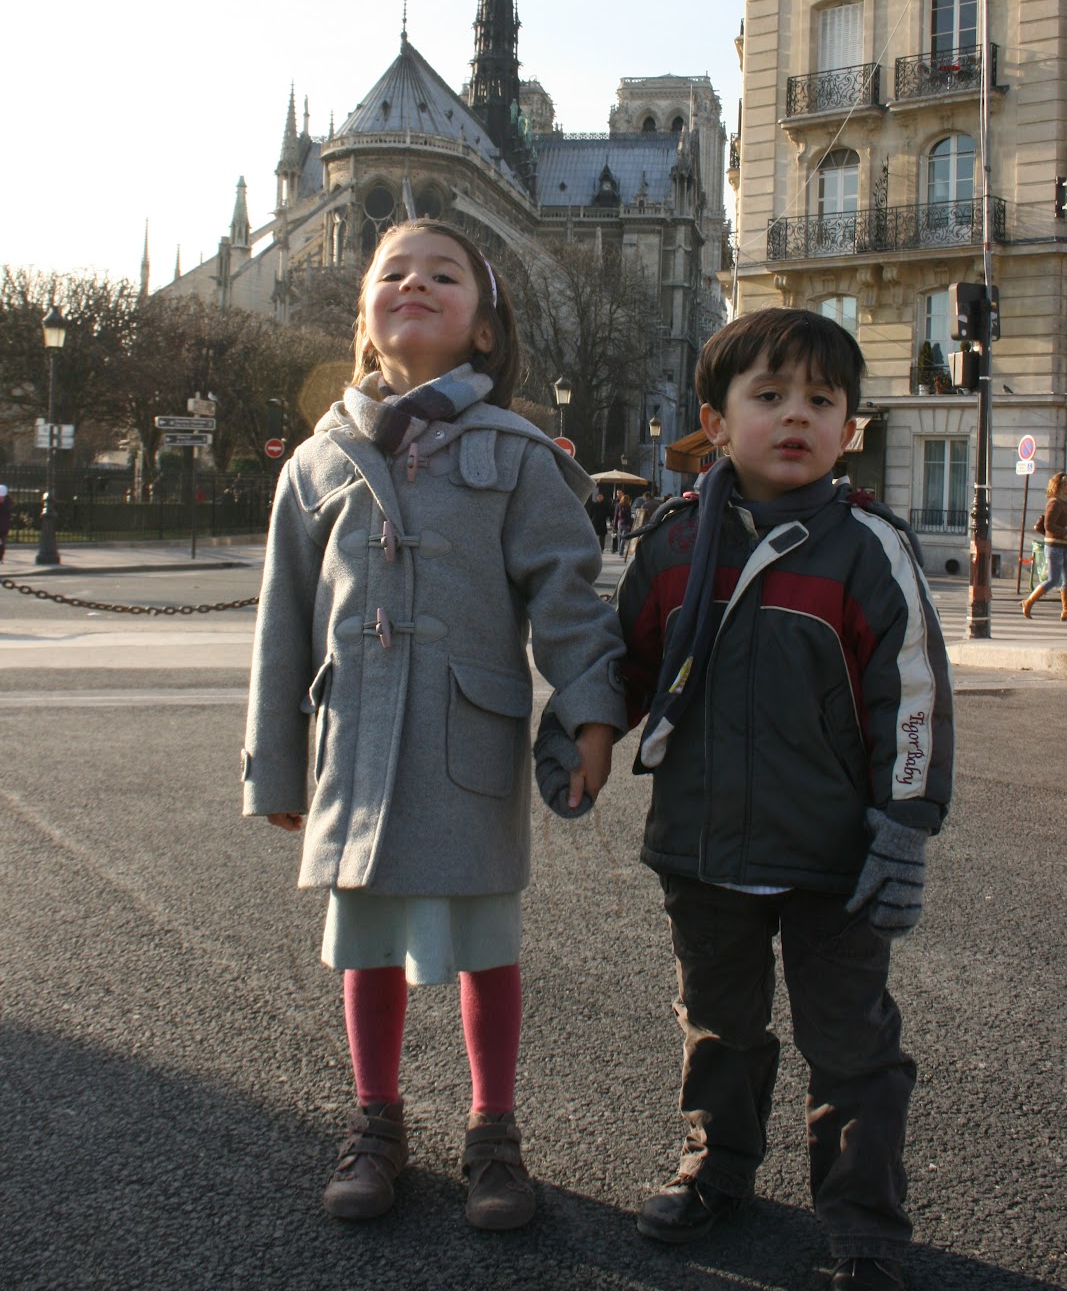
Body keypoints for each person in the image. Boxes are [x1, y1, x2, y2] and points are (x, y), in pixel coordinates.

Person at [242, 220, 625, 1231]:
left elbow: (568, 598)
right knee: (364, 943)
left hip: (467, 745)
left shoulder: (519, 453)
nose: (414, 284)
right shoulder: (315, 462)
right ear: (364, 317)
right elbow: (281, 626)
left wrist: (590, 714)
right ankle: (376, 1123)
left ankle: (493, 1131)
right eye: (393, 272)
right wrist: (275, 767)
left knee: (486, 946)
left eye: (442, 274)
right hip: (356, 744)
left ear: (485, 329)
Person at [616, 307, 953, 1291]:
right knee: (718, 1026)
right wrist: (577, 735)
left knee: (850, 1044)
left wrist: (903, 829)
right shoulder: (672, 543)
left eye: (820, 398)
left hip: (834, 859)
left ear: (850, 428)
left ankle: (862, 1225)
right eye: (768, 395)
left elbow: (912, 700)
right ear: (715, 423)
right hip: (701, 847)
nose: (796, 414)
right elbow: (625, 664)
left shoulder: (869, 549)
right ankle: (716, 1167)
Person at [1021, 470, 1067, 620]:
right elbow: (1048, 525)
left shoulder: (1064, 502)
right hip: (1054, 547)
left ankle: (1065, 611)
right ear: (1059, 486)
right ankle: (1028, 602)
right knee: (1053, 579)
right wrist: (1064, 531)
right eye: (1066, 484)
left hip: (1064, 546)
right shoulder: (1054, 502)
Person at [0, 484, 12, 561]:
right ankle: (1, 556)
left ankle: (1, 555)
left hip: (3, 525)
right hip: (4, 525)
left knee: (2, 541)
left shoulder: (7, 503)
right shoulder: (9, 502)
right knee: (2, 541)